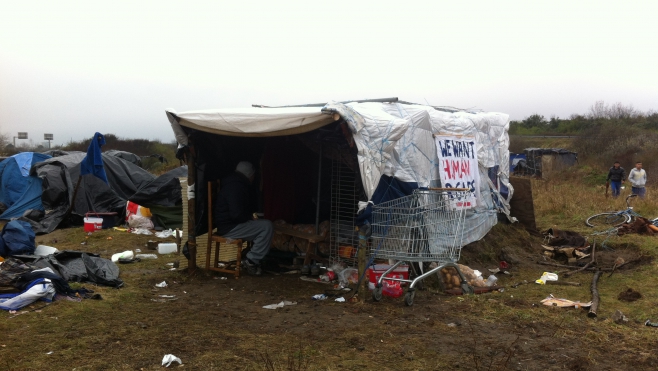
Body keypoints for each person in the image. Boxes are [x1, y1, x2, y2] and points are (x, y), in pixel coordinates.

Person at [214, 161, 273, 275]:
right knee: (267, 226)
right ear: (249, 175)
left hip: (228, 225)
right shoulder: (236, 187)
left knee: (262, 226)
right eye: (253, 175)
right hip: (230, 227)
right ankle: (251, 260)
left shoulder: (234, 183)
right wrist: (249, 218)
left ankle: (251, 257)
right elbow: (236, 215)